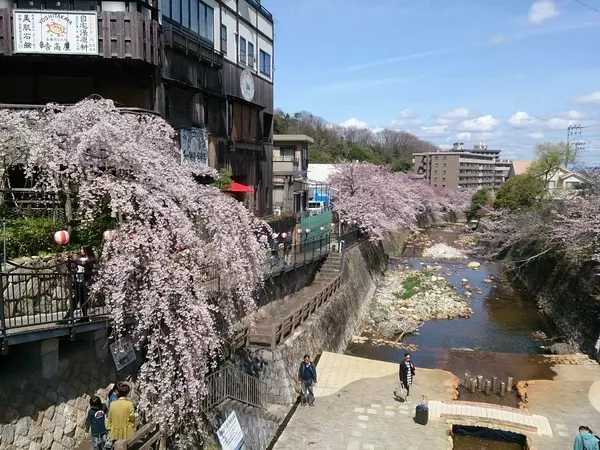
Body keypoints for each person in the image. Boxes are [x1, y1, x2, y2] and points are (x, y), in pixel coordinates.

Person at [63, 246, 95, 322]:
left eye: (82, 249)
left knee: (80, 300)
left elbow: (83, 263)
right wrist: (68, 261)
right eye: (80, 249)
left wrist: (74, 261)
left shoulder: (91, 259)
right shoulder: (79, 259)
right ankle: (83, 317)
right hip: (78, 282)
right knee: (78, 300)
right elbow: (73, 266)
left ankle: (69, 317)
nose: (81, 251)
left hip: (85, 282)